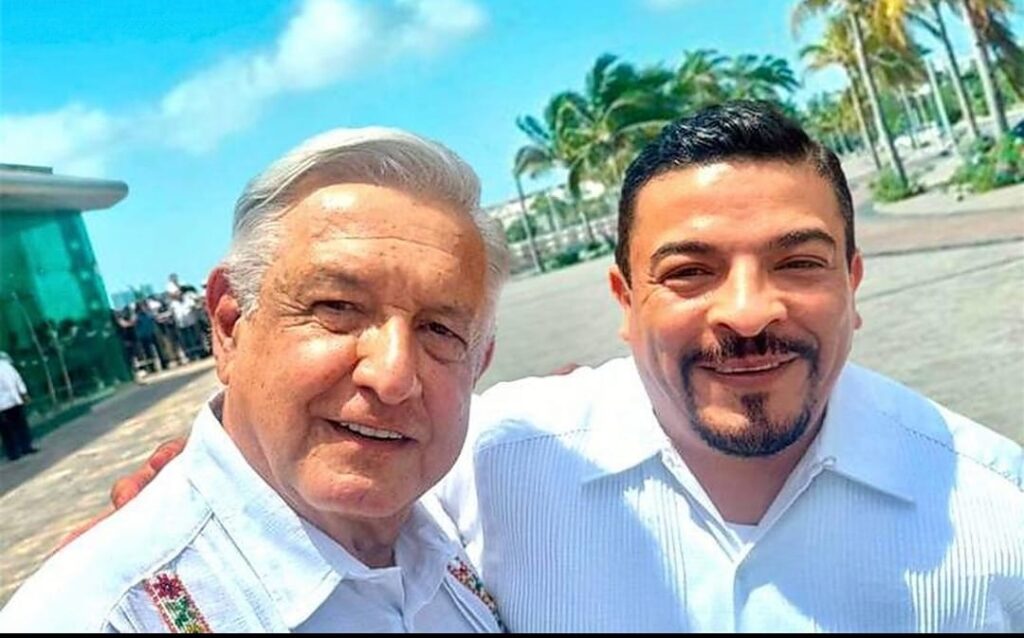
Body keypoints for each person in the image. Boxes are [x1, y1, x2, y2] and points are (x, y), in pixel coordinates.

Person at [57, 102, 1024, 632]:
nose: (746, 311)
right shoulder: (488, 464)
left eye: (798, 263)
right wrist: (182, 503)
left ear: (853, 283)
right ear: (624, 301)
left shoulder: (999, 515)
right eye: (689, 272)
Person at [0, 127, 509, 632]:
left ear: (478, 365)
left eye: (440, 331)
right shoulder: (103, 617)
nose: (392, 375)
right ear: (229, 324)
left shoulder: (474, 526)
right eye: (337, 307)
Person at [0, 352, 37, 461]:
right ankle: (16, 451)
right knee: (8, 429)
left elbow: (17, 380)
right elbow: (18, 380)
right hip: (5, 403)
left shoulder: (7, 366)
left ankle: (25, 447)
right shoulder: (7, 366)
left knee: (17, 426)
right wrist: (23, 394)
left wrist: (23, 394)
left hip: (13, 400)